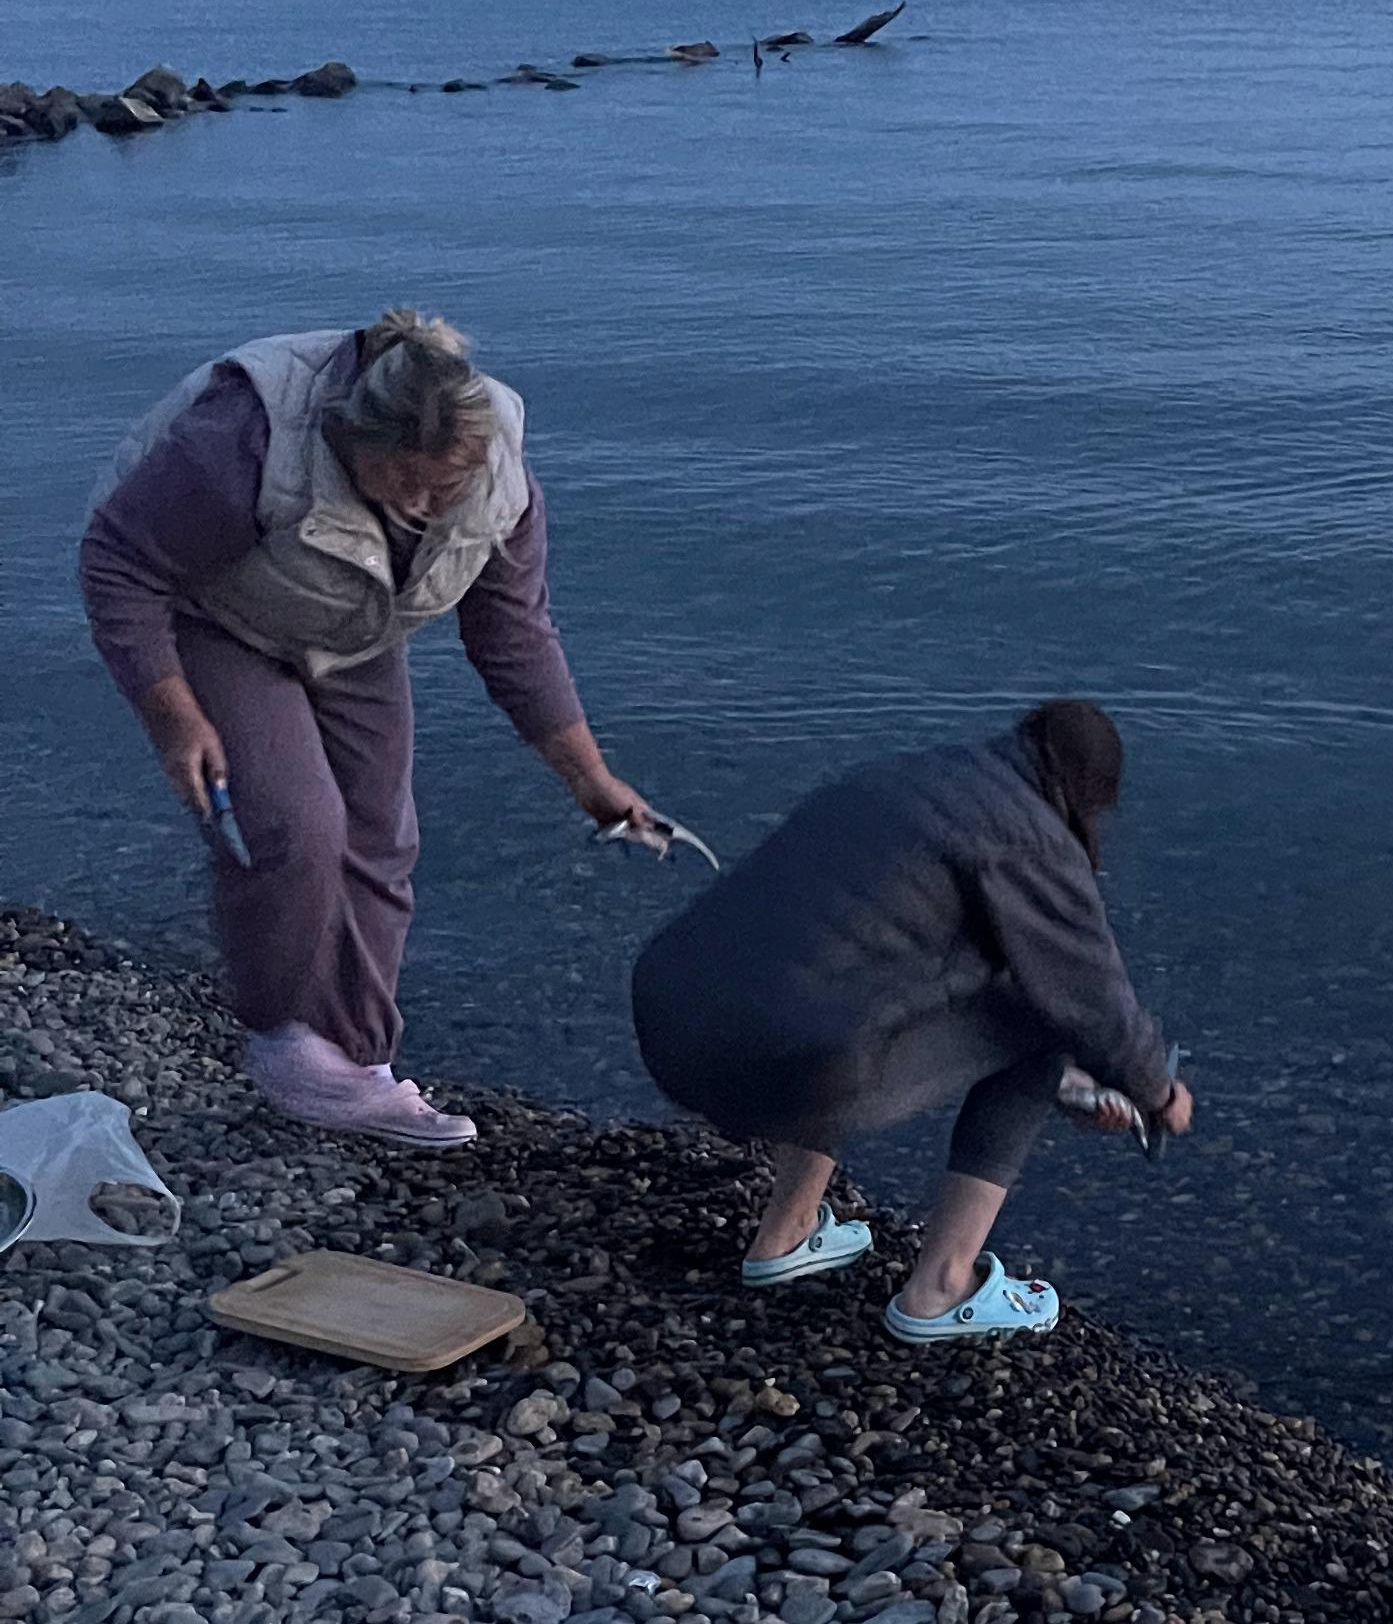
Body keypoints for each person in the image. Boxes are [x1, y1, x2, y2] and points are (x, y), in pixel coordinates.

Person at [81, 309, 667, 1149]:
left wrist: (588, 777)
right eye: (402, 484)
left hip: (349, 624)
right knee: (295, 825)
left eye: (442, 490)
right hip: (211, 613)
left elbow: (513, 635)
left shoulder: (495, 479)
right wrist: (174, 715)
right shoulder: (242, 444)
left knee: (382, 838)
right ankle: (281, 1039)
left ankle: (355, 1061)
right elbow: (118, 564)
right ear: (349, 441)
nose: (424, 507)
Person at [630, 697, 1192, 1342]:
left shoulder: (904, 777)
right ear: (1088, 796)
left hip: (670, 1019)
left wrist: (1075, 1087)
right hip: (770, 1062)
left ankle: (786, 1234)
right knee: (1041, 1024)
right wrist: (1159, 1095)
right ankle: (941, 1287)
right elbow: (1093, 999)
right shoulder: (1028, 833)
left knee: (837, 976)